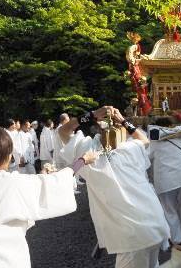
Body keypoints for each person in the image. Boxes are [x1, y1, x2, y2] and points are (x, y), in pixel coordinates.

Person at [0, 125, 98, 268]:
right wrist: (82, 160)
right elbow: (56, 183)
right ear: (3, 156)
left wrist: (39, 177)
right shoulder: (5, 184)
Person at [61, 107, 171, 268]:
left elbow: (63, 131)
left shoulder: (88, 154)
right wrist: (123, 120)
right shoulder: (131, 148)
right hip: (155, 221)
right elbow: (144, 140)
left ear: (97, 126)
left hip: (132, 235)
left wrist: (92, 114)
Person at [148, 117, 181, 245]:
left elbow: (148, 157)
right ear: (171, 125)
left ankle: (177, 239)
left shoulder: (154, 139)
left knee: (169, 210)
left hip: (165, 179)